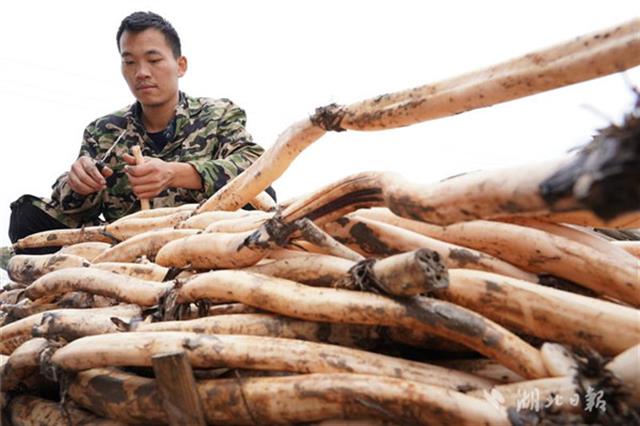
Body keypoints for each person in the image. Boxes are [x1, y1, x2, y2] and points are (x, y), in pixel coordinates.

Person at [8, 11, 274, 254]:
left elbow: (257, 165)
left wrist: (176, 173)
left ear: (180, 65)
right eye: (130, 62)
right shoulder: (103, 131)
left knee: (263, 196)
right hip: (126, 248)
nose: (142, 73)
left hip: (205, 239)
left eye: (154, 59)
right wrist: (77, 184)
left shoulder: (218, 114)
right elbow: (76, 212)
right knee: (26, 216)